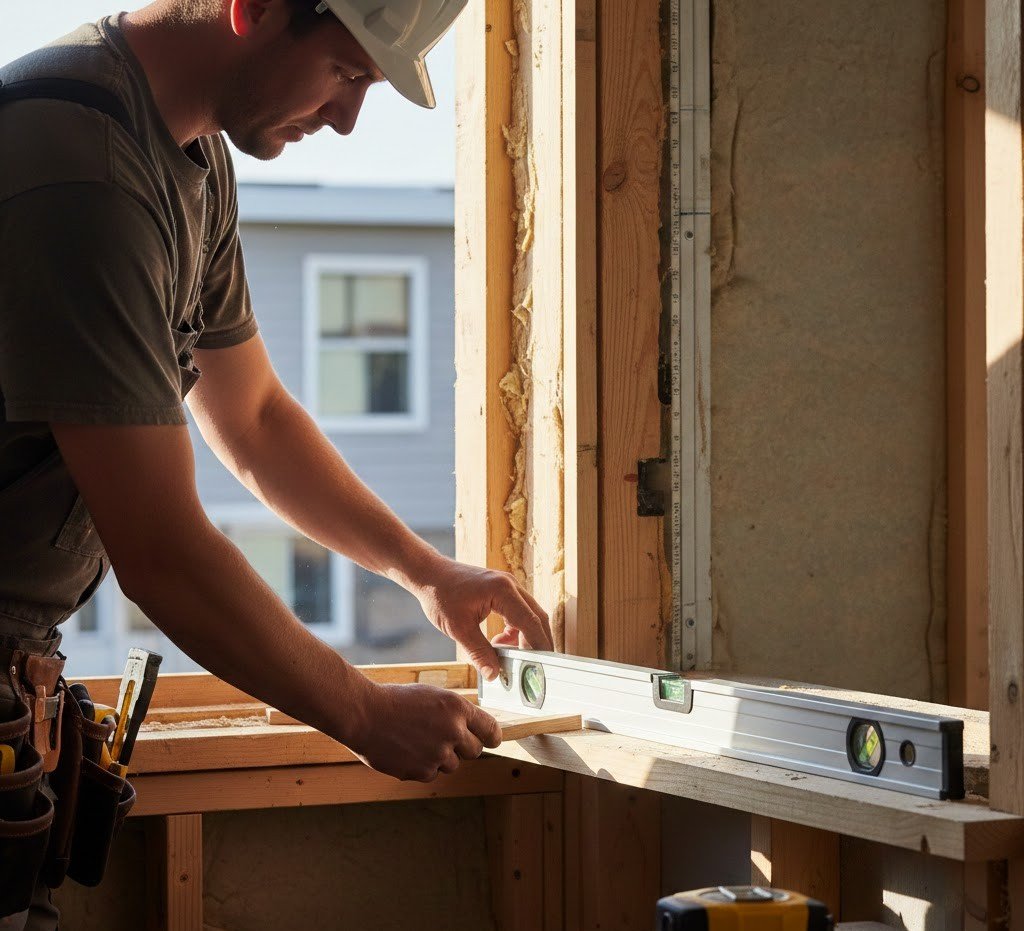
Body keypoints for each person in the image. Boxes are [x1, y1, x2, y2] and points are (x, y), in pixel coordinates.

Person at [0, 1, 553, 925]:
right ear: (251, 9)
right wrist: (365, 714)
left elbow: (253, 417)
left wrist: (423, 570)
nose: (347, 119)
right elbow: (165, 552)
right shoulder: (81, 167)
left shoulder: (193, 155)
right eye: (346, 73)